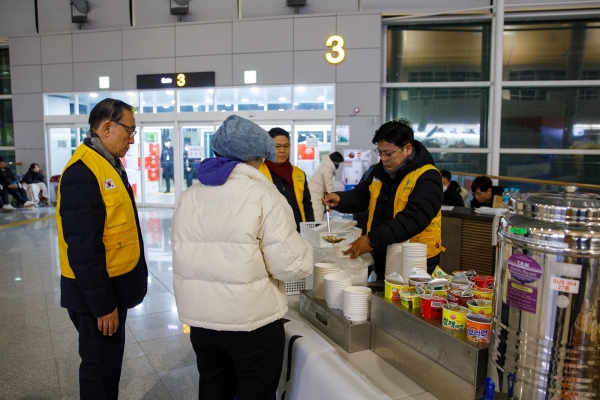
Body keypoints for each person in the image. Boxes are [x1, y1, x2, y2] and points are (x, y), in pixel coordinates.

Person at [172, 115, 313, 400]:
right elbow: (292, 266)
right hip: (251, 326)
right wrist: (310, 250)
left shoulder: (188, 197)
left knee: (213, 390)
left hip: (201, 323)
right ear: (256, 159)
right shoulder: (264, 195)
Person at [56, 98, 148, 399]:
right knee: (99, 375)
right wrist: (104, 306)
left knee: (107, 370)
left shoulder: (107, 163)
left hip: (109, 290)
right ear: (106, 127)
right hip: (95, 299)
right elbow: (83, 249)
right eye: (130, 131)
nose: (132, 140)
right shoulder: (83, 172)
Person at [323, 119, 443, 278]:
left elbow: (414, 218)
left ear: (407, 148)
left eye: (388, 153)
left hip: (415, 259)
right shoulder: (379, 171)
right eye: (380, 152)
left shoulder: (428, 177)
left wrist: (371, 240)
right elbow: (362, 195)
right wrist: (340, 199)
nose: (384, 158)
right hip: (383, 251)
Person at [258, 128, 314, 231]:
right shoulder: (258, 172)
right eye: (277, 146)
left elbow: (306, 204)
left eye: (286, 146)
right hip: (271, 232)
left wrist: (310, 230)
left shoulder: (299, 173)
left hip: (298, 231)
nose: (282, 151)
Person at [308, 151, 344, 221]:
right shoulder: (327, 169)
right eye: (338, 163)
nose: (338, 165)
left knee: (315, 217)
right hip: (316, 197)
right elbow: (329, 186)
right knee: (317, 219)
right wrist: (331, 200)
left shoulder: (324, 165)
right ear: (335, 161)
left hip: (314, 194)